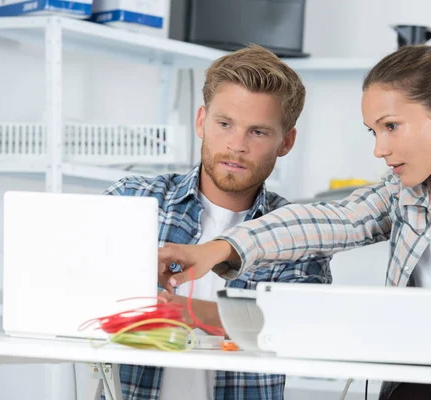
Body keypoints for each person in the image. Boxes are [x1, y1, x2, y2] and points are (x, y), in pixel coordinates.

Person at [157, 41, 431, 400]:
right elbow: (328, 220)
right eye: (373, 131)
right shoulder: (402, 194)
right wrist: (215, 250)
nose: (379, 149)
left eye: (391, 127)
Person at [103, 44, 332, 400]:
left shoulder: (297, 231)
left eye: (258, 132)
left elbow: (302, 327)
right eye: (224, 124)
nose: (236, 145)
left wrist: (188, 312)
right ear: (201, 122)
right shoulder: (133, 199)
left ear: (286, 141)